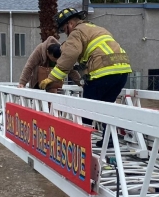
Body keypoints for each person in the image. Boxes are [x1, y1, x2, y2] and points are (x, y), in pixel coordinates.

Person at [40, 8, 131, 146]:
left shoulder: (77, 32)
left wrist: (51, 78)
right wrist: (80, 80)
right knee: (107, 107)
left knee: (86, 109)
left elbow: (69, 56)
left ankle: (82, 143)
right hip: (122, 71)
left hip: (103, 72)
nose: (66, 33)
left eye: (64, 30)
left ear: (70, 24)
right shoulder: (96, 29)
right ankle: (110, 138)